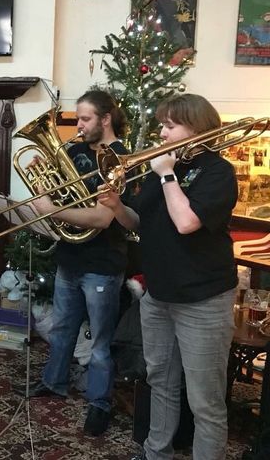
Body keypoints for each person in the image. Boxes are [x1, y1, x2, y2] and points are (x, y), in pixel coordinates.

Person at [99, 94, 238, 460]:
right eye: (162, 124)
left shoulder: (218, 172)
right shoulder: (162, 170)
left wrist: (167, 174)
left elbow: (187, 222)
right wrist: (116, 206)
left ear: (196, 129)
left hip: (202, 300)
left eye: (170, 126)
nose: (161, 133)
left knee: (204, 399)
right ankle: (155, 453)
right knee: (159, 381)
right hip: (158, 296)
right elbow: (139, 223)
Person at [22, 90, 131, 436]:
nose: (78, 127)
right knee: (61, 328)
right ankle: (53, 381)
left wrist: (50, 209)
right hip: (69, 257)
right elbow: (54, 192)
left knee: (99, 342)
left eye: (84, 120)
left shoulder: (121, 159)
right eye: (77, 119)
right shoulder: (73, 150)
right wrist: (40, 177)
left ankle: (99, 403)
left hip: (102, 262)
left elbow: (102, 218)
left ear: (105, 119)